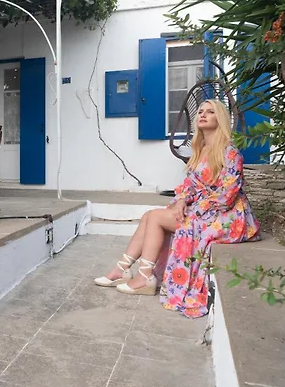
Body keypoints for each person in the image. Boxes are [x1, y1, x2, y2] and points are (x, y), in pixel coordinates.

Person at [93, 99, 261, 318]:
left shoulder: (230, 153)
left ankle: (144, 276)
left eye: (210, 112)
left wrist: (194, 209)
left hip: (227, 216)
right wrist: (181, 201)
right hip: (204, 209)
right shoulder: (201, 150)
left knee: (156, 217)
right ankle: (122, 269)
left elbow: (227, 195)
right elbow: (190, 186)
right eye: (200, 111)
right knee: (149, 216)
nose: (203, 115)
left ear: (219, 118)